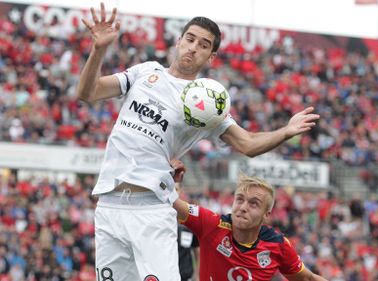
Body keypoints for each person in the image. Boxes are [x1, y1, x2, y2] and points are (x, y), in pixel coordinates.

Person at [76, 3, 320, 281]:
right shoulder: (145, 72)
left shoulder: (206, 99)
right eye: (190, 39)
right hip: (108, 202)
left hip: (151, 206)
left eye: (203, 45)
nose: (193, 48)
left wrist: (285, 131)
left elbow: (248, 144)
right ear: (179, 41)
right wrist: (99, 49)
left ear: (211, 57)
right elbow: (88, 92)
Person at [171, 160, 327, 281]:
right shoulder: (210, 224)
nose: (243, 207)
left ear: (267, 215)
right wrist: (169, 177)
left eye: (253, 203)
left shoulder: (278, 245)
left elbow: (308, 278)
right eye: (239, 199)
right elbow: (170, 200)